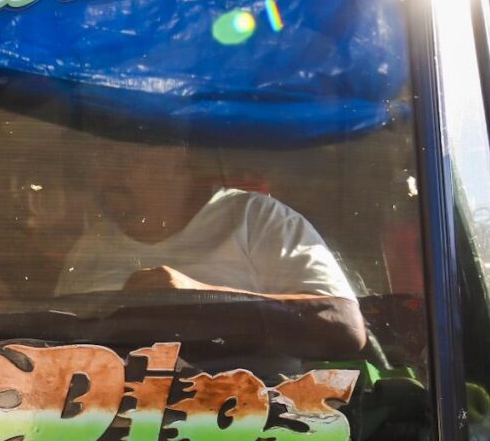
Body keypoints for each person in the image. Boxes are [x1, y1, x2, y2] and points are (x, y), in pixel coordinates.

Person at [58, 133, 367, 363]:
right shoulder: (90, 248)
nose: (107, 173)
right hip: (115, 440)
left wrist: (202, 300)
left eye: (124, 156)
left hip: (253, 434)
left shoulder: (256, 219)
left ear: (178, 153)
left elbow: (342, 325)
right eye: (97, 159)